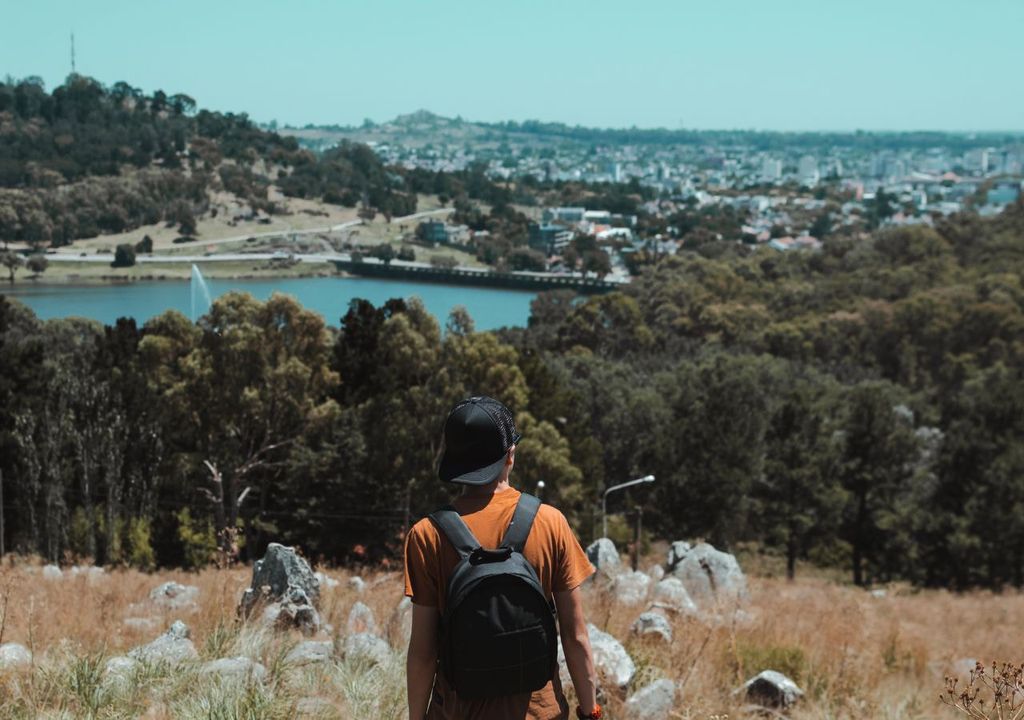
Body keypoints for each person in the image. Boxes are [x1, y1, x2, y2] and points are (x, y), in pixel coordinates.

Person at [404, 396, 602, 720]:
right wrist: (590, 710)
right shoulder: (550, 522)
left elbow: (423, 652)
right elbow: (575, 636)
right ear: (510, 455)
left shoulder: (426, 535)